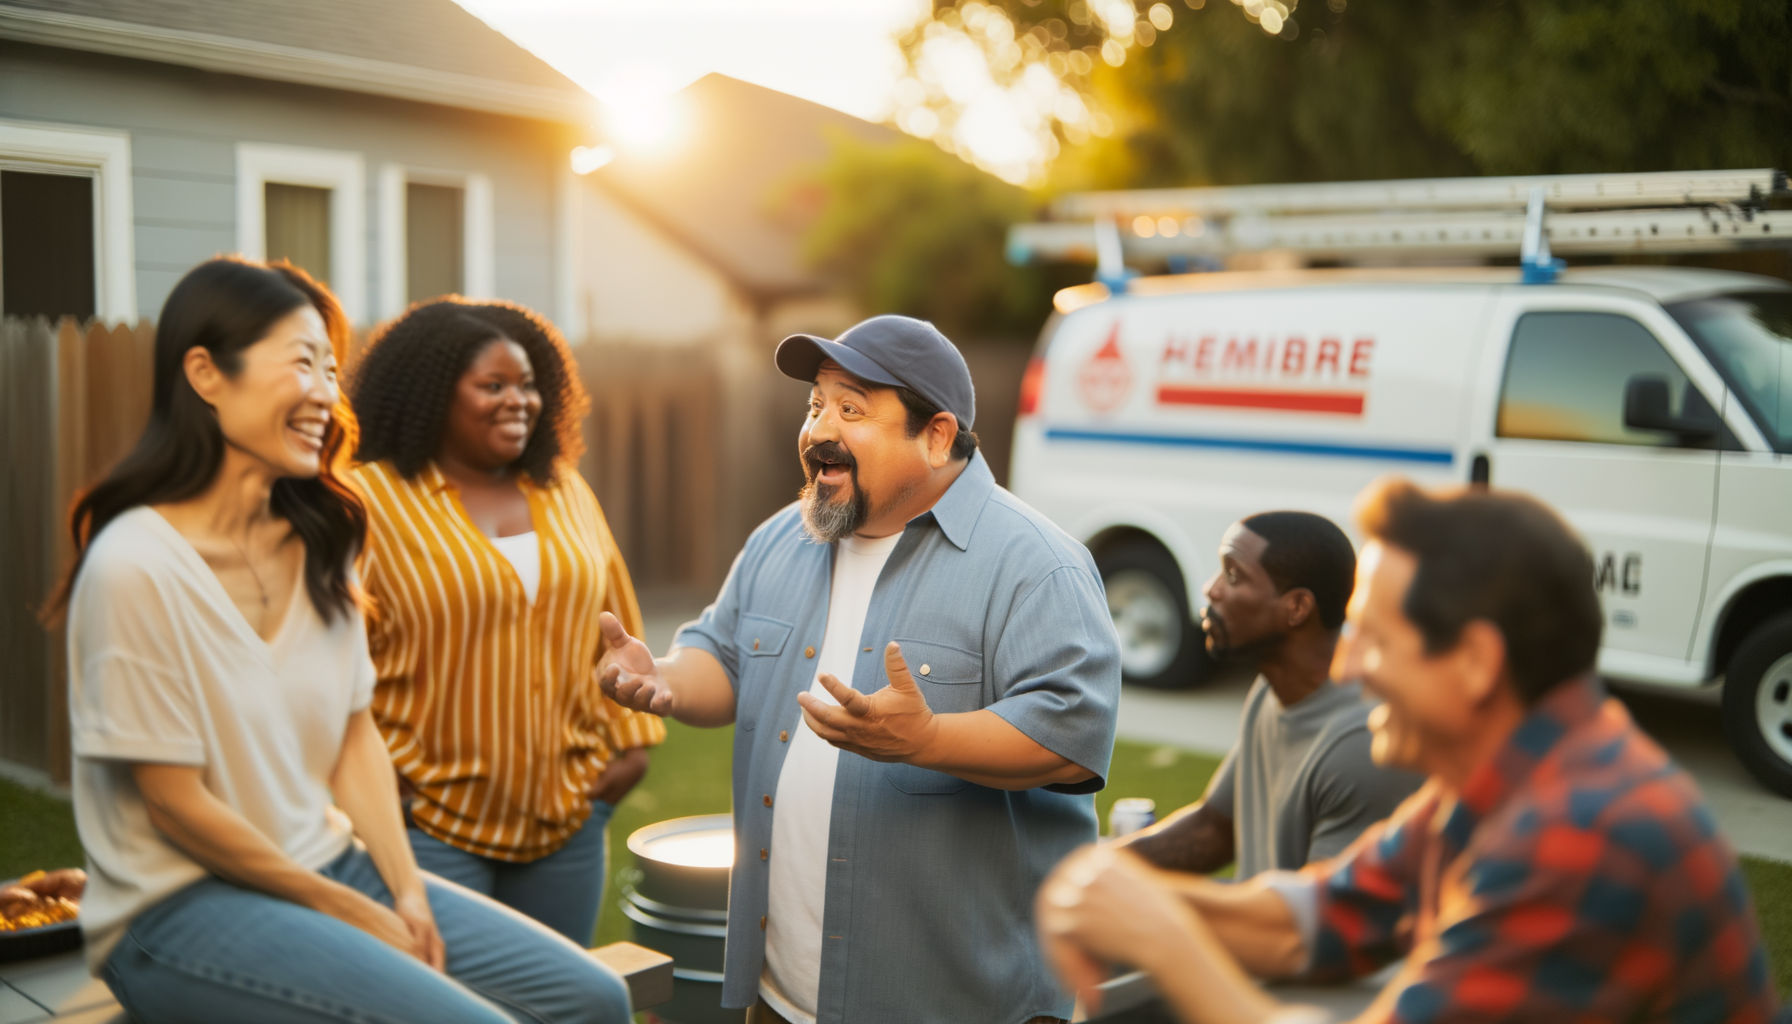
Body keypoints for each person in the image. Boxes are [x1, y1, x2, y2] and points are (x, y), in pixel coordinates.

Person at [57, 258, 631, 1024]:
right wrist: (350, 911)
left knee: (595, 996)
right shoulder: (134, 564)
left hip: (332, 864)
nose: (328, 394)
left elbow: (354, 732)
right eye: (303, 363)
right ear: (205, 374)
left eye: (332, 368)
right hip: (178, 907)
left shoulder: (323, 537)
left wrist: (402, 889)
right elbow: (173, 805)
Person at [1037, 478, 1778, 1024]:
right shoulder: (1496, 783)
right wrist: (1118, 890)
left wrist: (1166, 937)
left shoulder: (1583, 835)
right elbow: (1324, 916)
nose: (1351, 667)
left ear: (1476, 663)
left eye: (1375, 638)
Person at [600, 315, 1122, 1024]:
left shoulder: (1036, 565)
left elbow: (1070, 738)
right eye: (815, 404)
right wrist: (663, 678)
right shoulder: (781, 538)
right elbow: (721, 658)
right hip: (780, 997)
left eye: (851, 409)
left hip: (956, 1003)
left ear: (936, 436)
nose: (819, 430)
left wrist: (927, 740)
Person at [347, 299, 663, 945]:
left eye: (528, 386)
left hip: (569, 817)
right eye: (493, 385)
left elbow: (616, 621)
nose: (519, 401)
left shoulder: (564, 489)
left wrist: (632, 748)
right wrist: (387, 793)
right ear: (431, 394)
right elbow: (329, 658)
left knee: (561, 1005)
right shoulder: (365, 500)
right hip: (429, 825)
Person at [1121, 513, 1421, 879]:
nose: (1211, 589)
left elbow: (1317, 924)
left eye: (1233, 575)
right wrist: (1095, 865)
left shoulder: (1359, 745)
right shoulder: (1271, 688)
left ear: (1296, 607)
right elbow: (1215, 827)